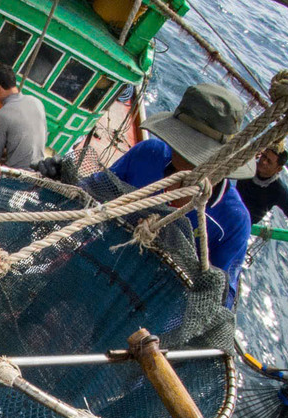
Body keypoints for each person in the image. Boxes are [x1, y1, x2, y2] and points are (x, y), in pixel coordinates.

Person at [107, 83, 255, 308]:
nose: (178, 150)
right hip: (104, 259)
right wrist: (62, 174)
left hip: (148, 307)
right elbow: (100, 189)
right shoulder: (149, 153)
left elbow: (223, 298)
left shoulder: (233, 220)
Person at [0, 62, 50, 170]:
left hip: (15, 177)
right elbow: (44, 139)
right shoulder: (37, 102)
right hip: (38, 171)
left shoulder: (1, 115)